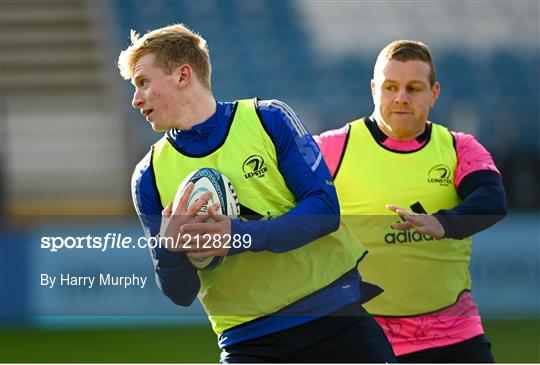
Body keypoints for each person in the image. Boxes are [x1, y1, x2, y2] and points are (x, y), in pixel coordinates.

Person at [118, 24, 395, 363]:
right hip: (248, 342)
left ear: (182, 75)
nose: (136, 99)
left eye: (143, 82)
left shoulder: (268, 118)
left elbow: (324, 210)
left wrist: (238, 236)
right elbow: (180, 293)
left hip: (334, 320)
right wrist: (170, 249)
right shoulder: (148, 176)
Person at [315, 39, 507, 363]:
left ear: (434, 93)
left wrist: (443, 223)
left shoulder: (459, 147)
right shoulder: (332, 148)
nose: (401, 98)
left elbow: (492, 198)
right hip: (361, 336)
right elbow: (280, 196)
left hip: (453, 333)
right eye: (391, 87)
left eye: (414, 88)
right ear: (374, 89)